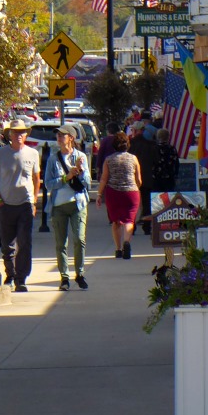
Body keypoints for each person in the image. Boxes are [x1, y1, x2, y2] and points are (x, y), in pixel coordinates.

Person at [0, 119, 41, 292]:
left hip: (25, 204)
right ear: (9, 134)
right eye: (15, 132)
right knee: (7, 245)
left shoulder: (33, 153)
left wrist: (34, 201)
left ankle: (21, 278)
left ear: (26, 135)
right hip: (6, 205)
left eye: (22, 132)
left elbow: (36, 179)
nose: (19, 135)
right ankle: (10, 274)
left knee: (25, 243)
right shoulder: (0, 153)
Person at [44, 125, 91, 291]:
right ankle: (64, 278)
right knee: (61, 243)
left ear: (71, 137)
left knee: (79, 239)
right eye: (58, 134)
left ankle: (80, 274)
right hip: (58, 206)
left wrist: (81, 171)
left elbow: (88, 183)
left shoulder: (81, 156)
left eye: (62, 134)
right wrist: (66, 177)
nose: (59, 137)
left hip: (78, 204)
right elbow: (48, 184)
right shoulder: (53, 159)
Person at [96, 129, 142, 259]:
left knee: (116, 221)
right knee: (129, 220)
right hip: (131, 192)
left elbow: (104, 179)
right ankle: (127, 241)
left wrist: (99, 194)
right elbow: (139, 179)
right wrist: (136, 188)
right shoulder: (133, 158)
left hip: (113, 192)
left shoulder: (108, 160)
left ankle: (118, 249)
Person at [130, 121, 159, 236]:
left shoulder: (130, 144)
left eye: (133, 130)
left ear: (137, 130)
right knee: (147, 204)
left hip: (132, 178)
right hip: (147, 177)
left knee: (133, 203)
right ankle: (147, 227)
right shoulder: (151, 145)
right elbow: (156, 161)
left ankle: (131, 227)